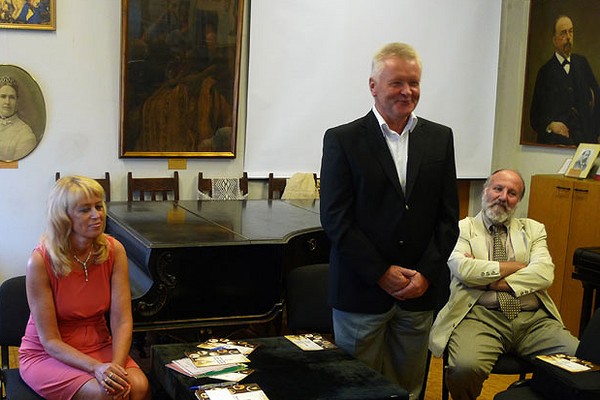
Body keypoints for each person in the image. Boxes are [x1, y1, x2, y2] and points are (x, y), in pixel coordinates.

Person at [319, 42, 459, 400]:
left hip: (418, 294)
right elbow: (336, 220)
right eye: (397, 82)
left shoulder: (440, 138)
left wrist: (425, 274)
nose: (407, 91)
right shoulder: (342, 139)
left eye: (414, 82)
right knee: (356, 392)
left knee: (408, 392)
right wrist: (381, 272)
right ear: (373, 86)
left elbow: (448, 219)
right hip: (361, 293)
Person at [429, 169, 579, 400]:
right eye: (498, 189)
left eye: (512, 193)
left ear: (518, 201)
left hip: (534, 320)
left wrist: (488, 282)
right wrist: (516, 266)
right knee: (464, 368)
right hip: (479, 316)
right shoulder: (462, 228)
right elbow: (463, 269)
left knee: (579, 360)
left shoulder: (533, 229)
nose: (503, 197)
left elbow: (544, 274)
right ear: (485, 191)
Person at [19, 176, 151, 400]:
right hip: (49, 353)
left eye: (99, 206)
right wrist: (96, 368)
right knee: (104, 393)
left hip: (99, 343)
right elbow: (50, 341)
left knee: (138, 387)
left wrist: (116, 367)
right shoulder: (40, 261)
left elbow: (121, 320)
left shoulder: (114, 250)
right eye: (84, 210)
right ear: (64, 217)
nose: (96, 215)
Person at [530, 15, 600, 146]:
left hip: (584, 143)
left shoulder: (582, 63)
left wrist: (594, 134)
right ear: (554, 40)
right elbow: (535, 117)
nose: (568, 37)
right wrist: (551, 125)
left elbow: (598, 98)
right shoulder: (545, 72)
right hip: (557, 143)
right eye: (563, 33)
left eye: (571, 31)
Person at [0, 75, 37, 161]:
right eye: (3, 96)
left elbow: (20, 166)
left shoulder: (26, 135)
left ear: (17, 102)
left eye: (12, 97)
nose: (7, 102)